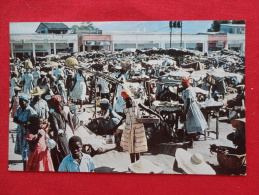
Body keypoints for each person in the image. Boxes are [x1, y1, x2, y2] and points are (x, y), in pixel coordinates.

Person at [120, 89, 163, 163]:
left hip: (137, 127)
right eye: (128, 99)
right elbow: (124, 117)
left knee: (137, 147)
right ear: (124, 99)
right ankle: (133, 164)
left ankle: (138, 164)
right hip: (129, 128)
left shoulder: (137, 102)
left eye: (130, 98)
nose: (130, 100)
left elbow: (147, 109)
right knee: (131, 148)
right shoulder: (123, 106)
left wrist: (158, 115)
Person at [181, 77, 208, 147]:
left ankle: (191, 142)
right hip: (192, 107)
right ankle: (191, 140)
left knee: (190, 124)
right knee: (191, 124)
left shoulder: (188, 90)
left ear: (184, 83)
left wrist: (185, 112)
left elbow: (189, 101)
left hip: (190, 108)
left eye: (182, 83)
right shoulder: (191, 89)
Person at [13, 94, 37, 170]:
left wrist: (28, 125)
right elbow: (15, 119)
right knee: (23, 152)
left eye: (21, 101)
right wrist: (22, 123)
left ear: (26, 101)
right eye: (19, 100)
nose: (20, 102)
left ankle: (26, 170)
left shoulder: (30, 110)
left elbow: (36, 121)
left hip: (27, 133)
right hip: (20, 132)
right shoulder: (19, 109)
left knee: (26, 152)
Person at [48, 95, 70, 171]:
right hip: (64, 135)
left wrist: (56, 142)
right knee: (65, 153)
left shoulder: (53, 114)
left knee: (57, 156)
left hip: (58, 137)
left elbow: (56, 129)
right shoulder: (62, 111)